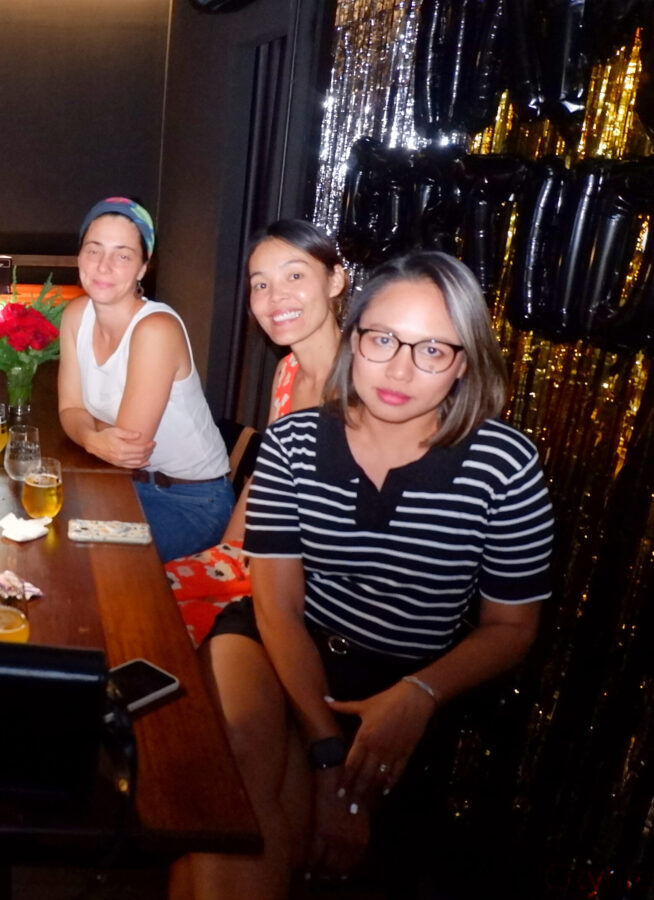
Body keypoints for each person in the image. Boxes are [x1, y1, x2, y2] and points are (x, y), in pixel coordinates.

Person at [180, 251, 553, 898]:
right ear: (354, 339)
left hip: (401, 674)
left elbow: (512, 628)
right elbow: (276, 605)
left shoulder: (505, 464)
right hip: (279, 640)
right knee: (233, 766)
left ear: (464, 362)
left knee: (272, 827)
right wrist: (329, 758)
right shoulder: (294, 442)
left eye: (432, 350)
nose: (399, 370)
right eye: (382, 339)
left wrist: (420, 693)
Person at [164, 219, 347, 644]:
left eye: (295, 276)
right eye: (260, 284)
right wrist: (225, 553)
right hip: (262, 559)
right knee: (145, 597)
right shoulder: (287, 372)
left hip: (314, 588)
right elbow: (267, 478)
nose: (275, 296)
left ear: (335, 280)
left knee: (169, 628)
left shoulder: (365, 385)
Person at [57, 197, 233, 561]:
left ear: (142, 268)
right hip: (127, 484)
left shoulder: (156, 329)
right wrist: (92, 437)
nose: (103, 265)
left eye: (122, 255)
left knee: (86, 558)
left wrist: (88, 428)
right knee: (46, 531)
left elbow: (128, 448)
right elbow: (69, 409)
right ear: (79, 257)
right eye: (94, 250)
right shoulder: (76, 315)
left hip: (191, 501)